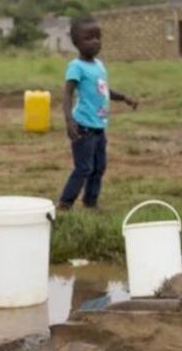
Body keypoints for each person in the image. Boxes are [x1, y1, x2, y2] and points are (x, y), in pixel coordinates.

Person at [57, 16, 138, 212]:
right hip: (83, 126)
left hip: (99, 127)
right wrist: (69, 121)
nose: (95, 42)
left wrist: (124, 98)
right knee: (84, 168)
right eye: (88, 38)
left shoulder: (99, 66)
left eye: (98, 37)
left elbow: (103, 90)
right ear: (76, 43)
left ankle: (90, 202)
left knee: (99, 168)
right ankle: (65, 204)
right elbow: (67, 95)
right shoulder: (76, 67)